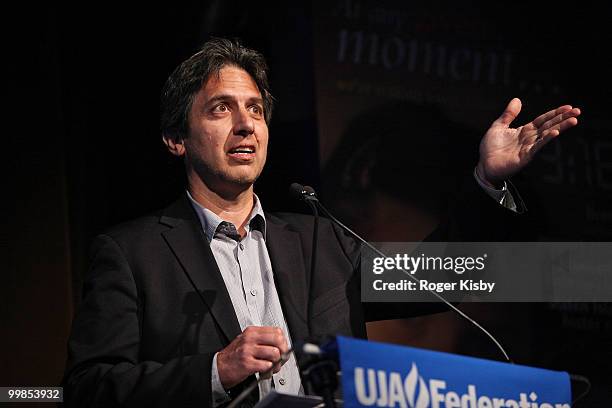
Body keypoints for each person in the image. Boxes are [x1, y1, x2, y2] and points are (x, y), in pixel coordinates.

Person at [62, 37, 581, 407]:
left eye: (256, 110)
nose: (246, 123)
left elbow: (434, 282)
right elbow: (88, 389)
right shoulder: (132, 253)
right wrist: (213, 373)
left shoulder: (321, 237)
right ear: (177, 139)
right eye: (221, 109)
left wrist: (485, 182)